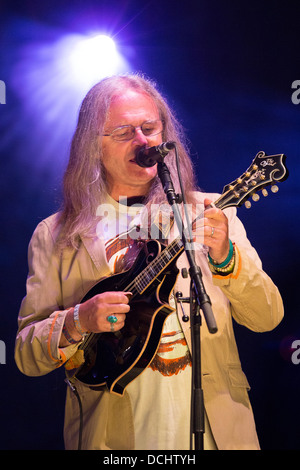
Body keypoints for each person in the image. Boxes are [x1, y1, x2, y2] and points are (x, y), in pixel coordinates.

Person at [15, 73, 284, 450]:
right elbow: (26, 354)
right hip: (114, 439)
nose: (142, 141)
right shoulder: (56, 235)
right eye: (124, 132)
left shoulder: (209, 213)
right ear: (94, 146)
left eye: (149, 128)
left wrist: (226, 258)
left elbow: (267, 316)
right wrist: (77, 320)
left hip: (218, 434)